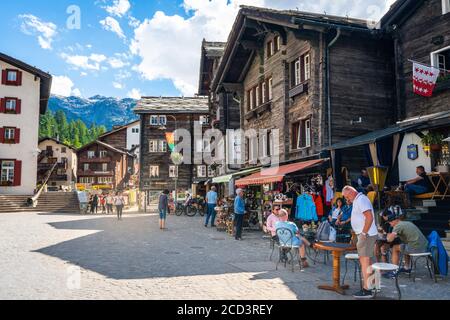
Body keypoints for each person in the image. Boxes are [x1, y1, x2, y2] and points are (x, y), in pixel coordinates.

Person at [342, 186, 378, 299]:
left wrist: (363, 234)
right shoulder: (358, 199)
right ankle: (373, 285)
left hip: (366, 235)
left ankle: (367, 289)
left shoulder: (361, 199)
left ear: (352, 192)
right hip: (365, 234)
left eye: (347, 196)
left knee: (365, 261)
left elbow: (369, 217)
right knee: (367, 261)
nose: (347, 199)